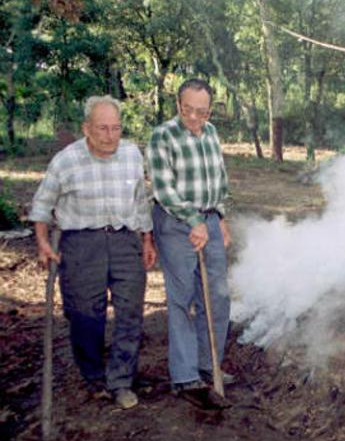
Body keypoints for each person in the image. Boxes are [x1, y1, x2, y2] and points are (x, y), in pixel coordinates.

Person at [30, 95, 156, 410]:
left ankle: (121, 380)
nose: (110, 135)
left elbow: (141, 201)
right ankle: (94, 376)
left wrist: (147, 240)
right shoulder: (65, 161)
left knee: (130, 313)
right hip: (81, 244)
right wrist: (43, 242)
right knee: (86, 315)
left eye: (116, 128)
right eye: (102, 128)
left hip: (125, 240)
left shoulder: (131, 155)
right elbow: (42, 205)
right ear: (87, 128)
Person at [146, 78, 233, 408]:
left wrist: (218, 218)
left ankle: (209, 364)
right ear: (178, 105)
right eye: (187, 110)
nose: (194, 118)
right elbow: (164, 189)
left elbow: (219, 180)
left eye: (202, 111)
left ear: (211, 109)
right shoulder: (163, 135)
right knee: (182, 299)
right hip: (175, 222)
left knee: (217, 296)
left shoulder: (211, 133)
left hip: (208, 220)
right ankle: (185, 377)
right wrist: (193, 220)